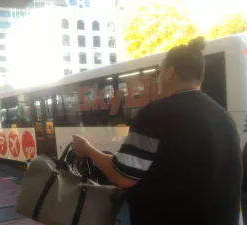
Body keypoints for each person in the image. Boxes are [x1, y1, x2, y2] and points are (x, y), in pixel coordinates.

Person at [72, 37, 242, 225]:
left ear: (170, 72)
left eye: (160, 72)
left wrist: (87, 149)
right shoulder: (224, 117)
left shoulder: (157, 112)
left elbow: (123, 176)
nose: (158, 79)